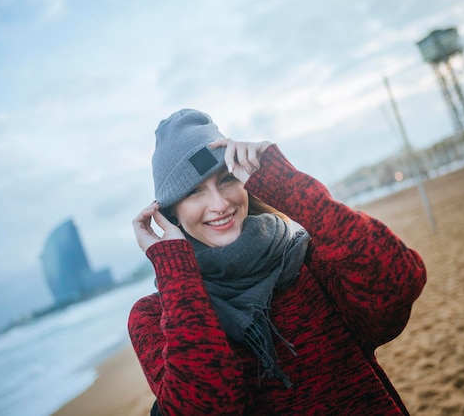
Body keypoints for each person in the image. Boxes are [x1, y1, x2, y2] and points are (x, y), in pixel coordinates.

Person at [130, 108, 426, 415]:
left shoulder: (307, 265)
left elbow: (398, 283)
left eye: (227, 179)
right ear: (170, 213)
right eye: (194, 191)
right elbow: (207, 408)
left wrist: (287, 186)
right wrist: (175, 272)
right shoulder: (154, 317)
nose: (219, 204)